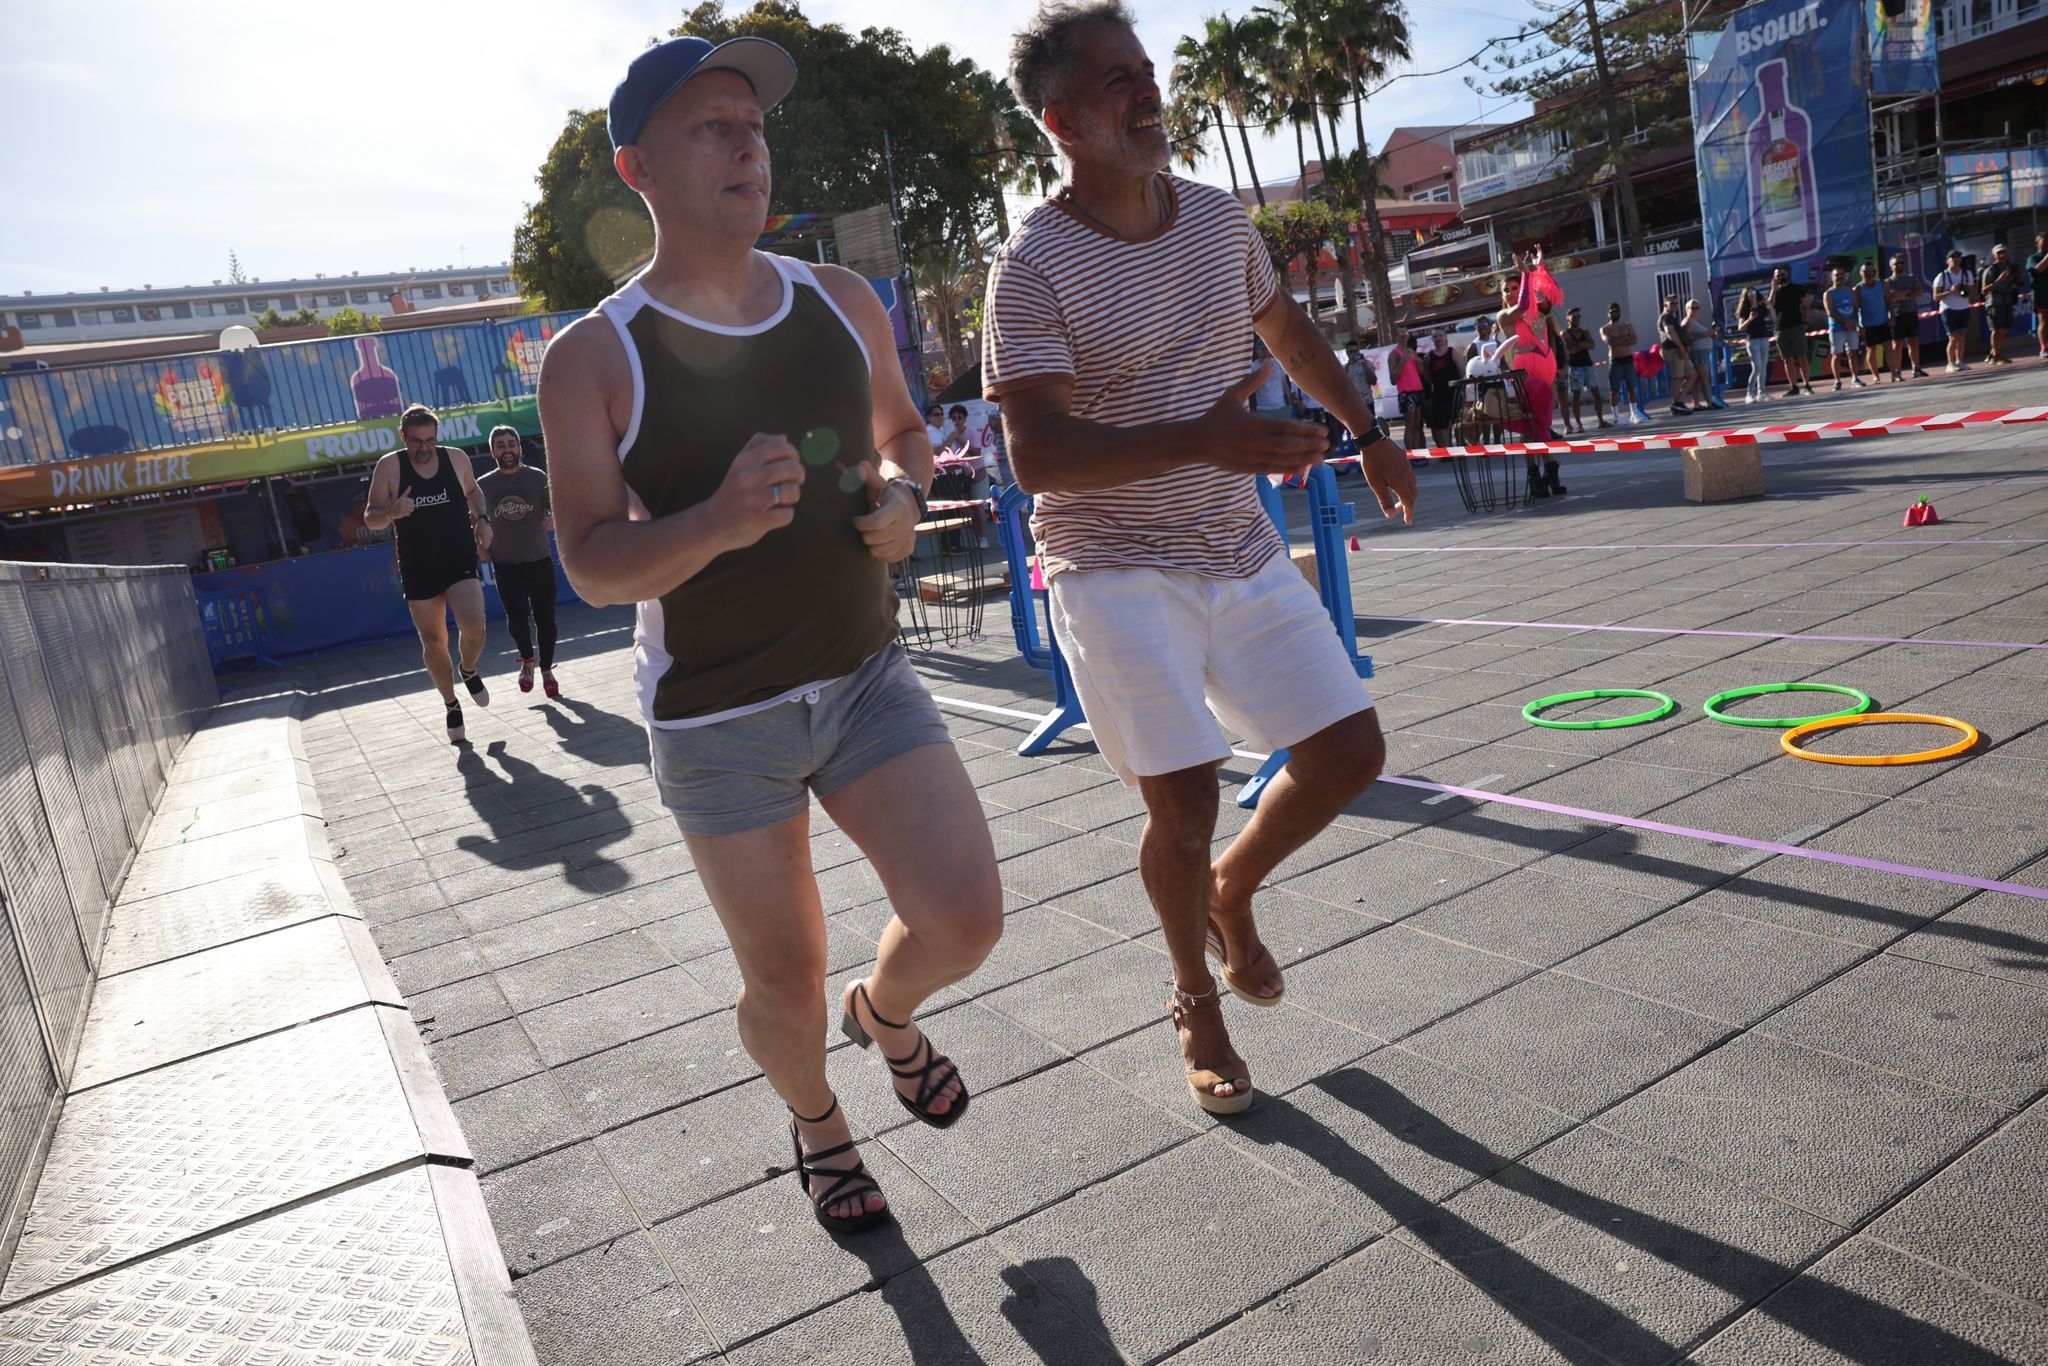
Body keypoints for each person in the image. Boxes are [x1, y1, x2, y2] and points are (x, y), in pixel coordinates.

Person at [536, 32, 1003, 1235]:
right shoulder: (591, 355)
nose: (748, 144)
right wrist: (709, 521)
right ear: (637, 166)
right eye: (713, 127)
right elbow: (588, 559)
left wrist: (904, 500)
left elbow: (905, 435)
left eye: (754, 124)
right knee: (780, 985)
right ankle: (818, 1122)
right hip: (717, 716)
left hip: (861, 673)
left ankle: (886, 1015)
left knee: (963, 919)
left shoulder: (841, 301)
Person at [986, 1, 1416, 1117]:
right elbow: (1033, 454)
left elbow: (1288, 335)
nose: (1147, 92)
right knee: (1180, 805)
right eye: (1117, 81)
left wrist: (1366, 432)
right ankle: (1193, 999)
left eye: (1146, 71)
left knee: (1347, 753)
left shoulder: (1218, 222)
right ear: (1061, 120)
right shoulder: (1028, 267)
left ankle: (1232, 889)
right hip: (1110, 563)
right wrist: (1198, 438)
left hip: (1233, 541)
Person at [364, 404, 494, 744]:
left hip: (458, 557)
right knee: (434, 642)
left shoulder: (456, 459)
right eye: (416, 441)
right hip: (418, 564)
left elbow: (473, 491)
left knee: (474, 624)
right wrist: (392, 512)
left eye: (430, 440)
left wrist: (482, 519)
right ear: (403, 437)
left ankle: (468, 669)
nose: (424, 448)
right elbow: (370, 517)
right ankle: (451, 704)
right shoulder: (390, 466)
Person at [475, 426, 560, 698]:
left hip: (539, 559)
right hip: (505, 563)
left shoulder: (537, 477)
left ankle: (546, 669)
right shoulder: (483, 485)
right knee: (517, 617)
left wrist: (553, 520)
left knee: (546, 618)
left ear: (519, 447)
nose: (507, 449)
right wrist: (481, 550)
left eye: (511, 443)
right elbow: (476, 521)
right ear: (492, 451)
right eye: (500, 445)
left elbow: (554, 510)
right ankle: (527, 662)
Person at [1768, 267, 1815, 398]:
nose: (1781, 277)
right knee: (1787, 359)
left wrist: (1806, 321)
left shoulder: (1797, 288)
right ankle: (1793, 386)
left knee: (1802, 356)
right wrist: (1773, 288)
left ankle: (1807, 384)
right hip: (1781, 328)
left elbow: (1806, 305)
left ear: (1787, 274)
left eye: (1782, 274)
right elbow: (1770, 305)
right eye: (1778, 275)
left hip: (1797, 326)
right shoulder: (1775, 291)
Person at [1600, 303, 1648, 424]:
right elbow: (1609, 342)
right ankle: (1616, 416)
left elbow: (1634, 339)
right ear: (1608, 313)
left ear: (1620, 312)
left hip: (1627, 359)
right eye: (1612, 311)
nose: (1614, 313)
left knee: (1631, 387)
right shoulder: (1605, 328)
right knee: (1614, 389)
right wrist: (1624, 339)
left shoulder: (1627, 325)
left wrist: (1619, 340)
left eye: (1616, 311)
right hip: (1615, 360)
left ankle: (1634, 413)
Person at [1561, 306, 1608, 431]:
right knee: (1576, 395)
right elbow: (1569, 351)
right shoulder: (1565, 333)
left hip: (1588, 366)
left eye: (1578, 316)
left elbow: (1592, 345)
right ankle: (1579, 424)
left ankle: (1601, 420)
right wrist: (1581, 345)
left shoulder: (1585, 332)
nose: (1577, 319)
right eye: (1574, 316)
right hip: (1575, 368)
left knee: (1596, 392)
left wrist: (1578, 344)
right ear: (1568, 318)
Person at [1883, 254, 1927, 380]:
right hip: (1897, 315)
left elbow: (1919, 291)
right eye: (1896, 263)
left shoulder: (1911, 278)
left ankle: (1916, 368)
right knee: (1897, 344)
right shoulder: (1888, 282)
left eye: (1901, 263)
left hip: (1911, 313)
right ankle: (1897, 371)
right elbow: (1891, 295)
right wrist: (1908, 292)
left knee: (1913, 342)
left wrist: (1904, 296)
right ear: (1891, 266)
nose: (1899, 265)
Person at [1823, 266, 1866, 391]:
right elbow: (1830, 312)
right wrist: (1844, 322)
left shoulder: (1850, 291)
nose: (1840, 277)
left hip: (1851, 327)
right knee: (1837, 354)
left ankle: (1855, 378)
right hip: (1837, 328)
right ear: (1832, 278)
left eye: (1842, 274)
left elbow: (1855, 307)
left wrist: (1853, 322)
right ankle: (1837, 381)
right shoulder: (1829, 293)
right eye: (1837, 275)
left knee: (1852, 353)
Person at [1933, 249, 1974, 372]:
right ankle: (1950, 364)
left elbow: (1972, 291)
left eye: (1958, 257)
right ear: (1947, 261)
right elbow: (1935, 297)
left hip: (1964, 307)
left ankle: (1960, 361)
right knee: (1953, 337)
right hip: (1948, 308)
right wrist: (1950, 291)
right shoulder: (1942, 276)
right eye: (1953, 257)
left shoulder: (1967, 274)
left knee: (1962, 336)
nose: (1956, 260)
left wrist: (1965, 290)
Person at [1980, 244, 2021, 366]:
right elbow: (1984, 290)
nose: (2001, 255)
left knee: (2005, 328)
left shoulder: (2012, 268)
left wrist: (2015, 285)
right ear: (1994, 255)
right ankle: (1996, 355)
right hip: (1994, 302)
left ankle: (1994, 353)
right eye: (1999, 253)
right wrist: (1998, 280)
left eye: (2003, 252)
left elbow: (2018, 282)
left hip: (2008, 300)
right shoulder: (1990, 270)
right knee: (1996, 329)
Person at [1852, 261, 1891, 386]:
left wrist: (1892, 317)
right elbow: (1855, 308)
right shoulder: (1857, 289)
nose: (1869, 274)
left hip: (1883, 321)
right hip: (1867, 325)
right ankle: (1875, 376)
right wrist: (1858, 325)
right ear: (1860, 273)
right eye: (1866, 272)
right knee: (1871, 349)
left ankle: (1895, 373)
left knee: (1888, 347)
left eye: (1871, 271)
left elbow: (1889, 301)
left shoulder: (1882, 284)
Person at [1682, 299, 1725, 409]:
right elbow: (1688, 337)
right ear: (1687, 309)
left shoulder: (1695, 321)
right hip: (1697, 352)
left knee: (1697, 379)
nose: (1695, 310)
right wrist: (1707, 333)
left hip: (1701, 352)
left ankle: (1697, 404)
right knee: (1704, 378)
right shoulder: (1688, 321)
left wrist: (1710, 335)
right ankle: (1710, 402)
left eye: (1697, 307)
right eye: (1692, 308)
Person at [1657, 295, 1696, 416]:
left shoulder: (1671, 317)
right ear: (1665, 305)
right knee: (1678, 377)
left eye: (1676, 303)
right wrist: (1680, 347)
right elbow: (1670, 332)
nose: (1674, 305)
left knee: (1692, 374)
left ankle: (1679, 402)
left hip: (1678, 350)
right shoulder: (1666, 317)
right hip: (1673, 350)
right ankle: (1675, 404)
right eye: (1671, 303)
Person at [1421, 329, 1460, 447]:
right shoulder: (1428, 357)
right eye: (1435, 337)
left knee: (1457, 422)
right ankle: (1448, 450)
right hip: (1438, 393)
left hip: (1454, 392)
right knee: (1442, 424)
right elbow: (1427, 376)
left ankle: (1460, 449)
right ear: (1432, 340)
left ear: (1445, 337)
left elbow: (1462, 372)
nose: (1438, 339)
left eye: (1440, 336)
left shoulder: (1453, 353)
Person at [1735, 287, 1772, 404]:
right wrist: (1749, 319)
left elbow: (1774, 317)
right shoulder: (1745, 310)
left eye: (1754, 292)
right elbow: (1740, 327)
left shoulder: (1761, 307)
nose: (1752, 295)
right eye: (1749, 293)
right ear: (1746, 296)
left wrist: (1768, 304)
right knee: (1757, 367)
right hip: (1753, 341)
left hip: (1764, 338)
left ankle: (1762, 392)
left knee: (1763, 366)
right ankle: (1749, 394)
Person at [1387, 334, 1424, 449]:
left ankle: (1418, 454)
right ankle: (1411, 454)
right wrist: (1402, 362)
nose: (1403, 336)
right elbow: (1393, 379)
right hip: (1405, 393)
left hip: (1417, 390)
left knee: (1418, 425)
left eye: (1405, 334)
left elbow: (1421, 372)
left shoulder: (1412, 352)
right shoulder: (1394, 354)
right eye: (1400, 334)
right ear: (1396, 337)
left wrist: (1419, 362)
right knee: (1410, 425)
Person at [2029, 233, 2048, 361]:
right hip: (2041, 294)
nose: (2046, 243)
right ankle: (2044, 347)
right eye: (2044, 241)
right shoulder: (2033, 258)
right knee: (2044, 320)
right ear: (2037, 243)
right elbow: (2038, 269)